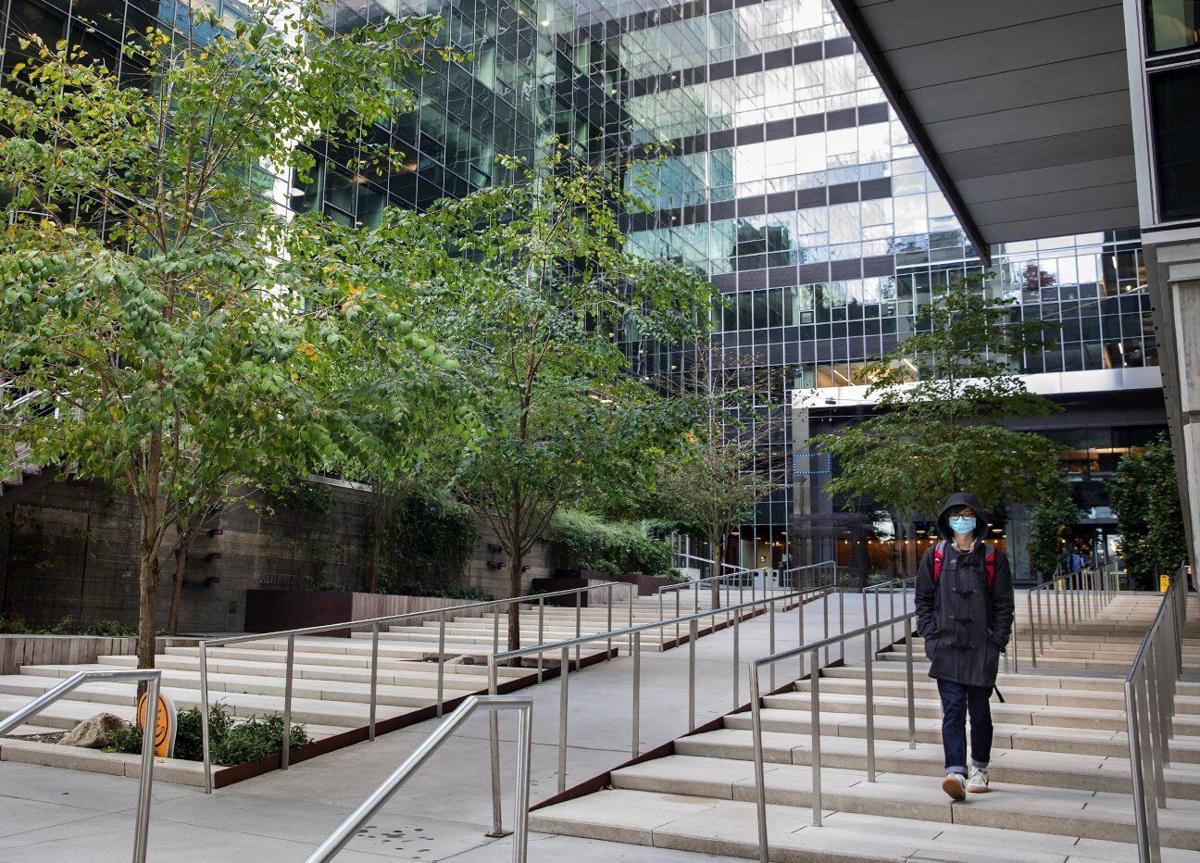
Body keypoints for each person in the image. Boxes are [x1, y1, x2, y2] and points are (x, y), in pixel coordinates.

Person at [915, 492, 1014, 800]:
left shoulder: (993, 558)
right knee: (952, 711)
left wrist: (996, 641)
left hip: (980, 649)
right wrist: (931, 638)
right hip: (946, 647)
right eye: (956, 515)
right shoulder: (935, 556)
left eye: (967, 515)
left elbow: (1003, 604)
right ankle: (955, 770)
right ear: (947, 520)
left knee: (980, 712)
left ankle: (980, 767)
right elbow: (923, 601)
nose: (961, 520)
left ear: (978, 520)